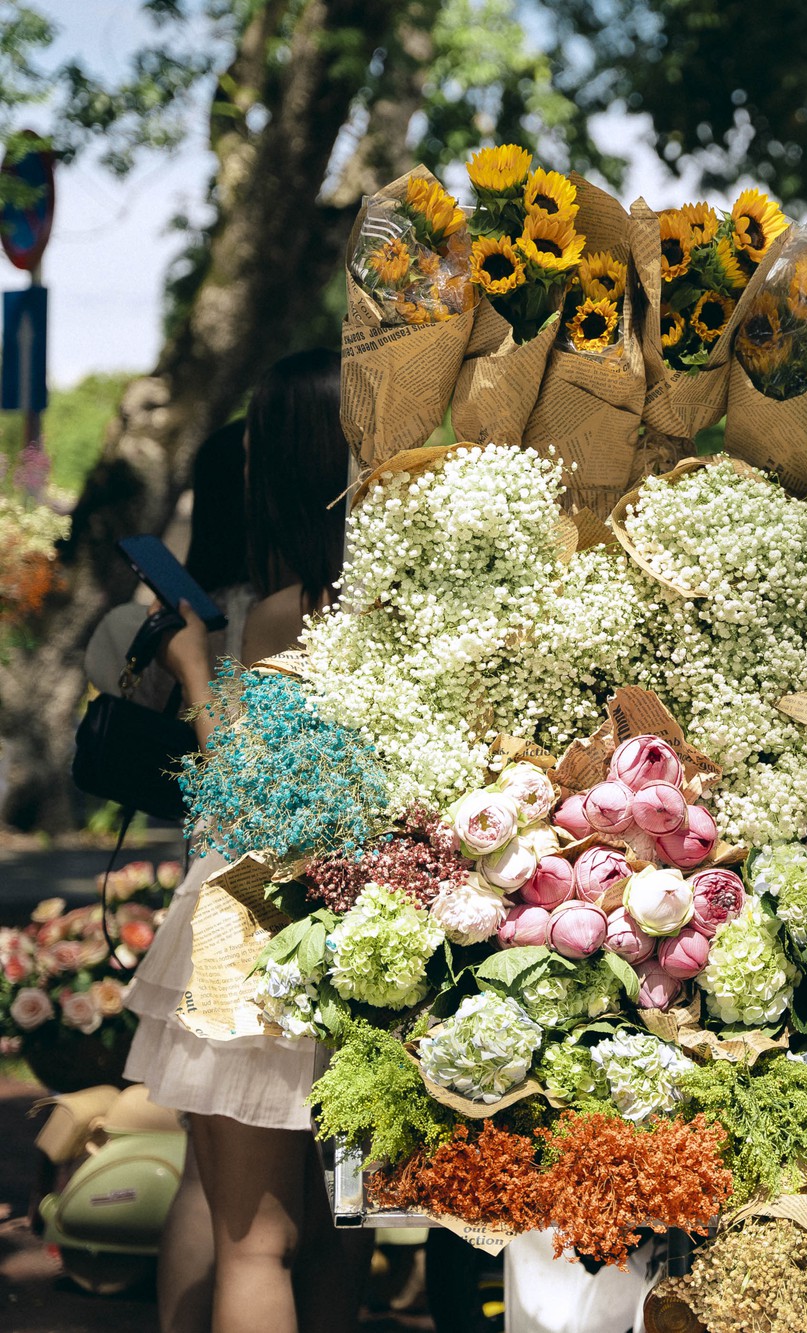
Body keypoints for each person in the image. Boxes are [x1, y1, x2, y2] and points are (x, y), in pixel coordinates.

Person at [121, 348, 370, 1333]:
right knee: (334, 1213)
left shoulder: (286, 615)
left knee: (252, 1238)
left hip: (253, 933)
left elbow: (248, 798)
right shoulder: (406, 610)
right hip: (368, 928)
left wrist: (192, 670)